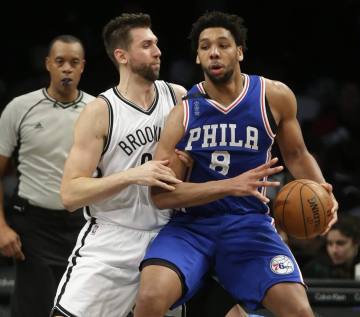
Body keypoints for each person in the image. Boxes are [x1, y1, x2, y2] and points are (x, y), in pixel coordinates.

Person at [134, 11, 338, 317]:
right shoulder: (183, 114)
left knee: (299, 311)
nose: (214, 52)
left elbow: (296, 155)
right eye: (205, 47)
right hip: (192, 227)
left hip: (249, 224)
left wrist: (323, 191)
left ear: (239, 51)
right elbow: (161, 196)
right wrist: (230, 185)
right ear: (198, 58)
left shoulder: (274, 96)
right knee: (150, 299)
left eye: (223, 44)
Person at [50, 13, 185, 317]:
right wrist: (132, 175)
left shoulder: (178, 97)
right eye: (147, 45)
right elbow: (70, 194)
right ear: (122, 55)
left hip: (170, 237)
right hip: (114, 238)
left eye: (157, 44)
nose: (157, 51)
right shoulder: (100, 111)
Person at [0, 35, 93, 317]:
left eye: (73, 63)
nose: (66, 68)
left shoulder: (98, 109)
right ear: (48, 64)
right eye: (60, 61)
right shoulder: (19, 107)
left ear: (82, 67)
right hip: (33, 227)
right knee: (33, 309)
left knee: (80, 308)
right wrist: (1, 227)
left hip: (82, 225)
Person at [303, 215, 360, 279]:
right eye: (330, 244)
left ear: (357, 242)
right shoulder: (314, 270)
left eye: (340, 243)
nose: (334, 250)